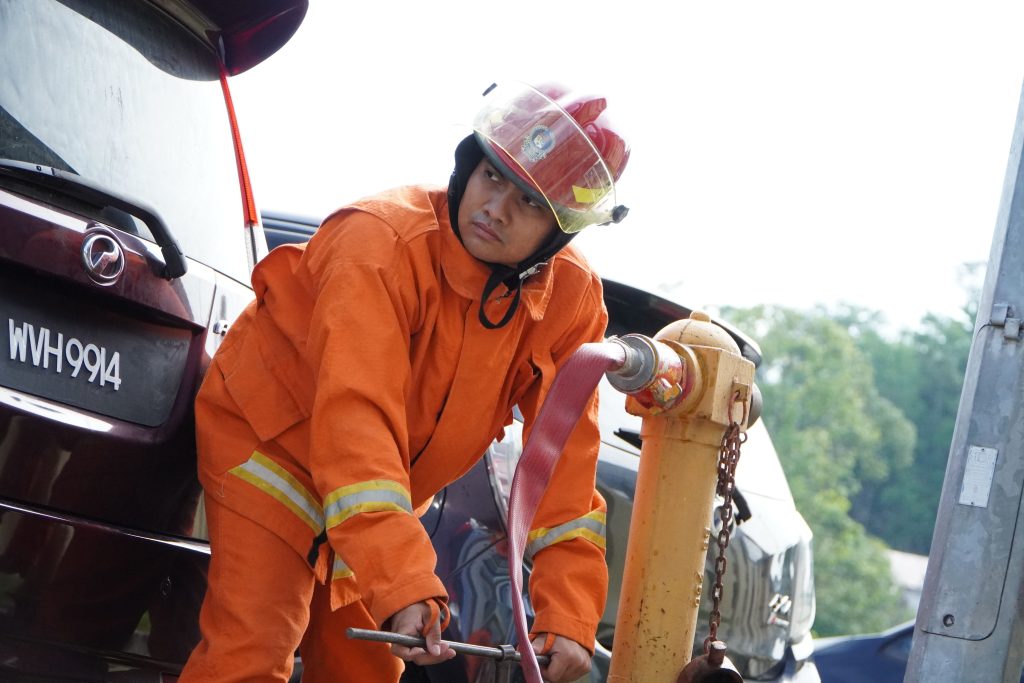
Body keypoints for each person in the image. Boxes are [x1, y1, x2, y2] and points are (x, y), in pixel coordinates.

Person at [179, 80, 631, 683]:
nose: (495, 208)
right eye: (492, 176)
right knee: (252, 652)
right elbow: (355, 423)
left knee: (364, 672)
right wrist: (402, 579)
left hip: (375, 490)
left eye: (527, 201)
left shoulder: (571, 299)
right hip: (273, 450)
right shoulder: (380, 243)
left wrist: (568, 613)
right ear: (469, 163)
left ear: (560, 230)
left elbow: (563, 470)